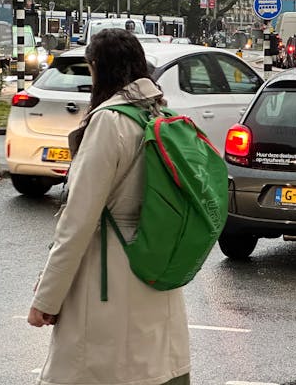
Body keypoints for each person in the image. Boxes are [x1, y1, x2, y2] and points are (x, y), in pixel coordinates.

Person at [28, 28, 190, 385]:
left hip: (108, 279)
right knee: (156, 369)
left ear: (98, 67)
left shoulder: (109, 121)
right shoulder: (159, 114)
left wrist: (47, 298)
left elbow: (78, 220)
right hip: (155, 264)